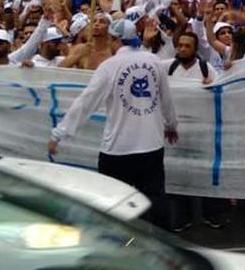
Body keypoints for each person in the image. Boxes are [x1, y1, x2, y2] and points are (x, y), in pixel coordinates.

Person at [49, 18, 178, 227]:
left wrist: (59, 133)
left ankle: (121, 243)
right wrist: (171, 125)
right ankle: (164, 242)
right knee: (155, 198)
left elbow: (86, 102)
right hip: (151, 146)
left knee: (116, 203)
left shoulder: (109, 66)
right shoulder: (154, 62)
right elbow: (167, 99)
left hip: (118, 149)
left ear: (114, 39)